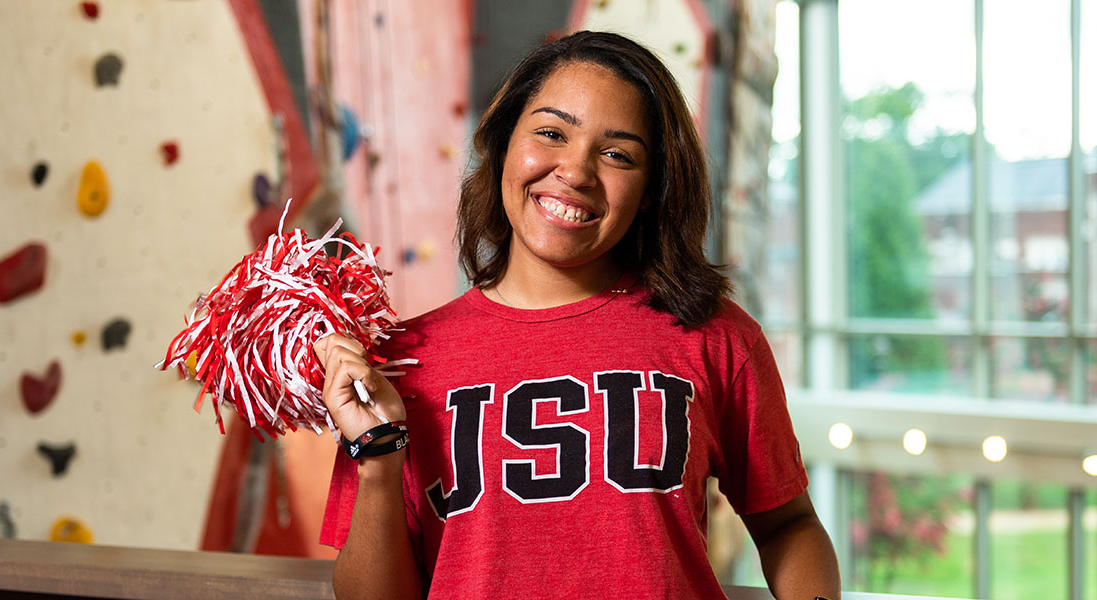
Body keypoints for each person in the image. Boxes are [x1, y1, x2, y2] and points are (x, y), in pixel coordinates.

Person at [314, 31, 841, 600]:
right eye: (551, 132)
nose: (577, 170)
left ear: (652, 188)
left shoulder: (715, 337)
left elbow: (788, 525)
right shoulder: (402, 361)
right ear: (503, 146)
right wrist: (377, 458)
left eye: (618, 154)